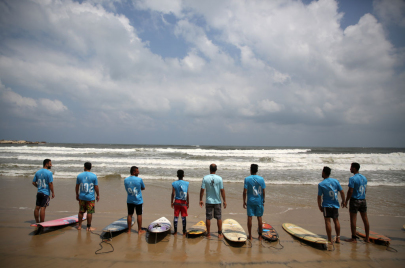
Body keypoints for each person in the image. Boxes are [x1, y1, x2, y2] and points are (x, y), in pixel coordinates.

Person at [317, 166, 345, 246]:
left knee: (327, 221)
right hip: (335, 204)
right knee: (336, 220)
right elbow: (342, 192)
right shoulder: (335, 181)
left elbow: (319, 196)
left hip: (326, 205)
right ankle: (338, 238)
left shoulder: (321, 184)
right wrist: (343, 201)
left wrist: (319, 205)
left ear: (324, 173)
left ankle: (330, 239)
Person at [344, 162, 369, 243]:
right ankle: (367, 238)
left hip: (355, 200)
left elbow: (350, 191)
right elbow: (365, 190)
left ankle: (354, 238)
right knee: (365, 219)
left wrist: (346, 201)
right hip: (363, 200)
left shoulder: (352, 178)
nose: (350, 169)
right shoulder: (364, 178)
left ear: (354, 168)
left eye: (351, 167)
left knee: (353, 219)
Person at [199, 164, 227, 238]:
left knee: (208, 217)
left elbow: (202, 189)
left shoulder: (205, 178)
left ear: (210, 169)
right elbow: (222, 190)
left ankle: (208, 234)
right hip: (217, 201)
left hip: (209, 201)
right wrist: (224, 201)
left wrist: (201, 199)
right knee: (219, 217)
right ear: (216, 169)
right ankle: (220, 233)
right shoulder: (219, 178)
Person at [243, 164, 266, 240]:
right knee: (259, 218)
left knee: (249, 218)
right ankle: (260, 236)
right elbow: (263, 191)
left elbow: (245, 191)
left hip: (250, 201)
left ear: (251, 170)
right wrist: (263, 200)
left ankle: (250, 236)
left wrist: (244, 201)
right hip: (259, 201)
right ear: (257, 170)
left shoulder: (247, 179)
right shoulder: (261, 179)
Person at [76, 162, 99, 231]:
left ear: (84, 167)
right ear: (91, 167)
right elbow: (96, 187)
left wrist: (77, 194)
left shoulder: (79, 176)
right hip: (90, 197)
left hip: (82, 196)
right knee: (89, 212)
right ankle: (88, 227)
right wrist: (98, 195)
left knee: (81, 211)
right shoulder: (94, 176)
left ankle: (79, 226)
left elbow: (77, 186)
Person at [124, 166, 146, 234]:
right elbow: (143, 188)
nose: (138, 172)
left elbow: (127, 188)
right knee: (139, 214)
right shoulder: (139, 179)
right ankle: (139, 230)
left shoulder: (125, 180)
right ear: (134, 172)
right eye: (137, 171)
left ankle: (129, 230)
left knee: (129, 214)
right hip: (138, 200)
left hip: (130, 199)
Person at [32, 159, 55, 223]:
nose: (51, 165)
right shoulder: (49, 173)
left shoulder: (37, 172)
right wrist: (53, 192)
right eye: (50, 164)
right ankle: (42, 223)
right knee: (43, 208)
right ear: (46, 164)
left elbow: (33, 182)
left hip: (39, 192)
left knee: (37, 208)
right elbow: (50, 184)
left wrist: (38, 186)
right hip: (45, 193)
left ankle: (37, 221)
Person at [171, 170, 189, 235]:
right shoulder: (186, 183)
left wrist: (171, 202)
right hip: (184, 202)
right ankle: (184, 232)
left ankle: (175, 231)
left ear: (177, 175)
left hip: (177, 202)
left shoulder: (174, 183)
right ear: (183, 175)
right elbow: (187, 193)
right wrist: (188, 202)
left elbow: (173, 194)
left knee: (176, 217)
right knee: (183, 217)